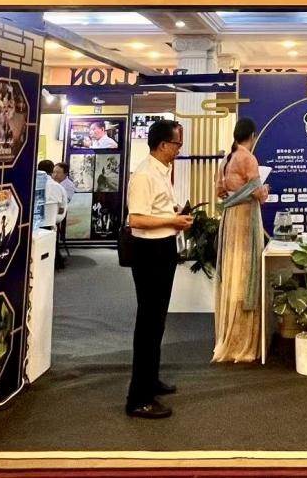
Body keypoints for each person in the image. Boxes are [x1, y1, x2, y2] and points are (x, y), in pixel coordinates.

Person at [125, 119, 192, 419]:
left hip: (163, 248)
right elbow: (136, 220)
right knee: (148, 323)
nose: (179, 149)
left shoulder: (162, 171)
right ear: (163, 145)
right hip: (149, 252)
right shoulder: (144, 175)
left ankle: (150, 380)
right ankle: (138, 398)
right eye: (177, 144)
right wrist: (172, 221)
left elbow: (157, 210)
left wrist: (174, 215)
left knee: (157, 322)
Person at [211, 118, 270, 363]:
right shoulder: (248, 158)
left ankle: (227, 336)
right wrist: (265, 190)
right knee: (245, 274)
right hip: (246, 220)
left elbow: (219, 192)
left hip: (230, 219)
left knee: (232, 273)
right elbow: (258, 193)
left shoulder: (226, 159)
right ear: (252, 136)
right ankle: (242, 343)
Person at [37, 160, 68, 229]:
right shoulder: (59, 187)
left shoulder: (30, 184)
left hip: (31, 224)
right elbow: (62, 209)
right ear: (52, 172)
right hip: (50, 224)